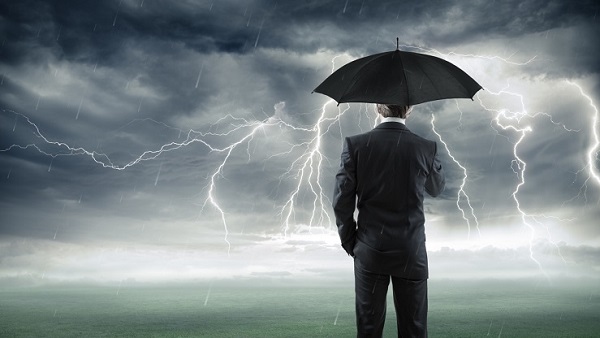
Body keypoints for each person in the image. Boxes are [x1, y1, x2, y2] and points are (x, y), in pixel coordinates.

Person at [332, 104, 445, 337]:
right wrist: (428, 158)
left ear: (377, 108)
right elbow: (436, 188)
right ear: (409, 109)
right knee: (414, 330)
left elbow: (341, 200)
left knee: (368, 330)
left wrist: (351, 243)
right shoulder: (425, 147)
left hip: (370, 250)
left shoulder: (356, 145)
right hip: (410, 252)